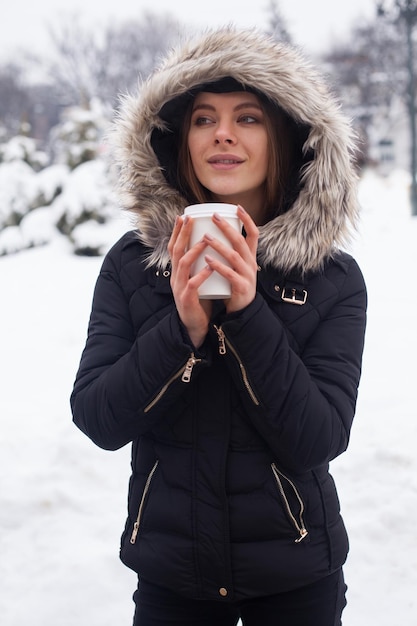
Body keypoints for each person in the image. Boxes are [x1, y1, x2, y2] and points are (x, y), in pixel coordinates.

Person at [71, 27, 367, 626]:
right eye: (203, 118)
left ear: (286, 139)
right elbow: (99, 418)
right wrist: (182, 328)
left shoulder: (331, 278)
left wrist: (248, 312)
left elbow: (318, 438)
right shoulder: (133, 266)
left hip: (295, 578)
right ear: (178, 141)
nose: (223, 133)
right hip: (171, 581)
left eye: (249, 117)